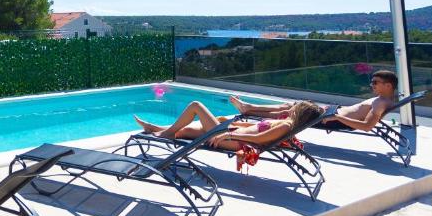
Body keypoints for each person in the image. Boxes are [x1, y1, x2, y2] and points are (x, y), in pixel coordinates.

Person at [228, 70, 399, 132]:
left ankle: (248, 109)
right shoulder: (385, 99)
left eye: (375, 83)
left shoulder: (380, 103)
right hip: (333, 111)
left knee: (288, 112)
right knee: (292, 106)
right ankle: (249, 107)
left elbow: (367, 127)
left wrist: (337, 117)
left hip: (332, 117)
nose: (371, 85)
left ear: (388, 85)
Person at [134, 99, 324, 151]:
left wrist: (230, 135)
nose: (292, 106)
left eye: (296, 106)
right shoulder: (286, 123)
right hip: (233, 135)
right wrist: (236, 124)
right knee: (184, 131)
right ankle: (156, 129)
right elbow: (256, 128)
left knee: (196, 106)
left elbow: (258, 138)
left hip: (234, 141)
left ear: (300, 112)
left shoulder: (286, 126)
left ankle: (161, 131)